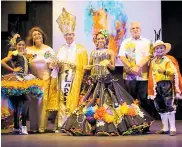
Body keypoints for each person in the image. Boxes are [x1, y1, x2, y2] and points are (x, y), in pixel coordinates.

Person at [60, 29, 153, 136]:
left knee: (111, 103)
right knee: (90, 103)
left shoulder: (110, 52)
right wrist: (87, 67)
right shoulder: (93, 52)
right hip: (95, 81)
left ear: (106, 40)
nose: (100, 40)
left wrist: (108, 64)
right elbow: (89, 65)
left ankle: (110, 125)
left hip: (106, 81)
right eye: (98, 38)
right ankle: (89, 126)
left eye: (102, 38)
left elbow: (113, 67)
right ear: (95, 40)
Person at [1, 34, 43, 135]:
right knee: (24, 101)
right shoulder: (14, 54)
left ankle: (17, 127)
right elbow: (2, 61)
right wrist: (13, 69)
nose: (21, 47)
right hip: (17, 80)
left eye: (23, 45)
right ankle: (23, 125)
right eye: (19, 45)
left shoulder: (25, 56)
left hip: (25, 80)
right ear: (16, 46)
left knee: (19, 104)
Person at [54, 8, 88, 130]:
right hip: (63, 78)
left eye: (70, 34)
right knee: (62, 100)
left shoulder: (81, 49)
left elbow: (85, 67)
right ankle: (61, 124)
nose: (69, 36)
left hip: (75, 78)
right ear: (64, 36)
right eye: (66, 35)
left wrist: (76, 67)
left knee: (72, 100)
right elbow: (56, 64)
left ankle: (71, 124)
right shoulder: (61, 49)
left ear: (74, 35)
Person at [118, 22, 153, 124]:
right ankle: (133, 123)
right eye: (133, 28)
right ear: (130, 30)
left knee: (144, 100)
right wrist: (131, 66)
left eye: (137, 28)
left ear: (140, 29)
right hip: (129, 76)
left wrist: (138, 66)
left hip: (143, 76)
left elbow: (148, 56)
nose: (135, 29)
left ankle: (146, 122)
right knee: (130, 99)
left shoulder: (147, 42)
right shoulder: (125, 42)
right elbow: (121, 56)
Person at [26, 27, 57, 133]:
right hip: (33, 80)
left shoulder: (48, 50)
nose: (37, 36)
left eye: (39, 34)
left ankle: (42, 127)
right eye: (34, 35)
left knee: (41, 102)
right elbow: (24, 63)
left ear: (42, 36)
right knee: (33, 102)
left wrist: (54, 64)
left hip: (45, 78)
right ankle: (33, 127)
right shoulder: (28, 50)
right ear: (32, 38)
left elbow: (51, 64)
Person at [148, 40, 182, 136]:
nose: (159, 50)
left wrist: (165, 71)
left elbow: (174, 71)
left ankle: (172, 128)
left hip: (166, 84)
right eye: (157, 48)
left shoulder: (168, 59)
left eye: (161, 48)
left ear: (164, 49)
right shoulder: (153, 61)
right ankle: (165, 128)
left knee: (169, 105)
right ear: (155, 50)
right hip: (157, 86)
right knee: (160, 106)